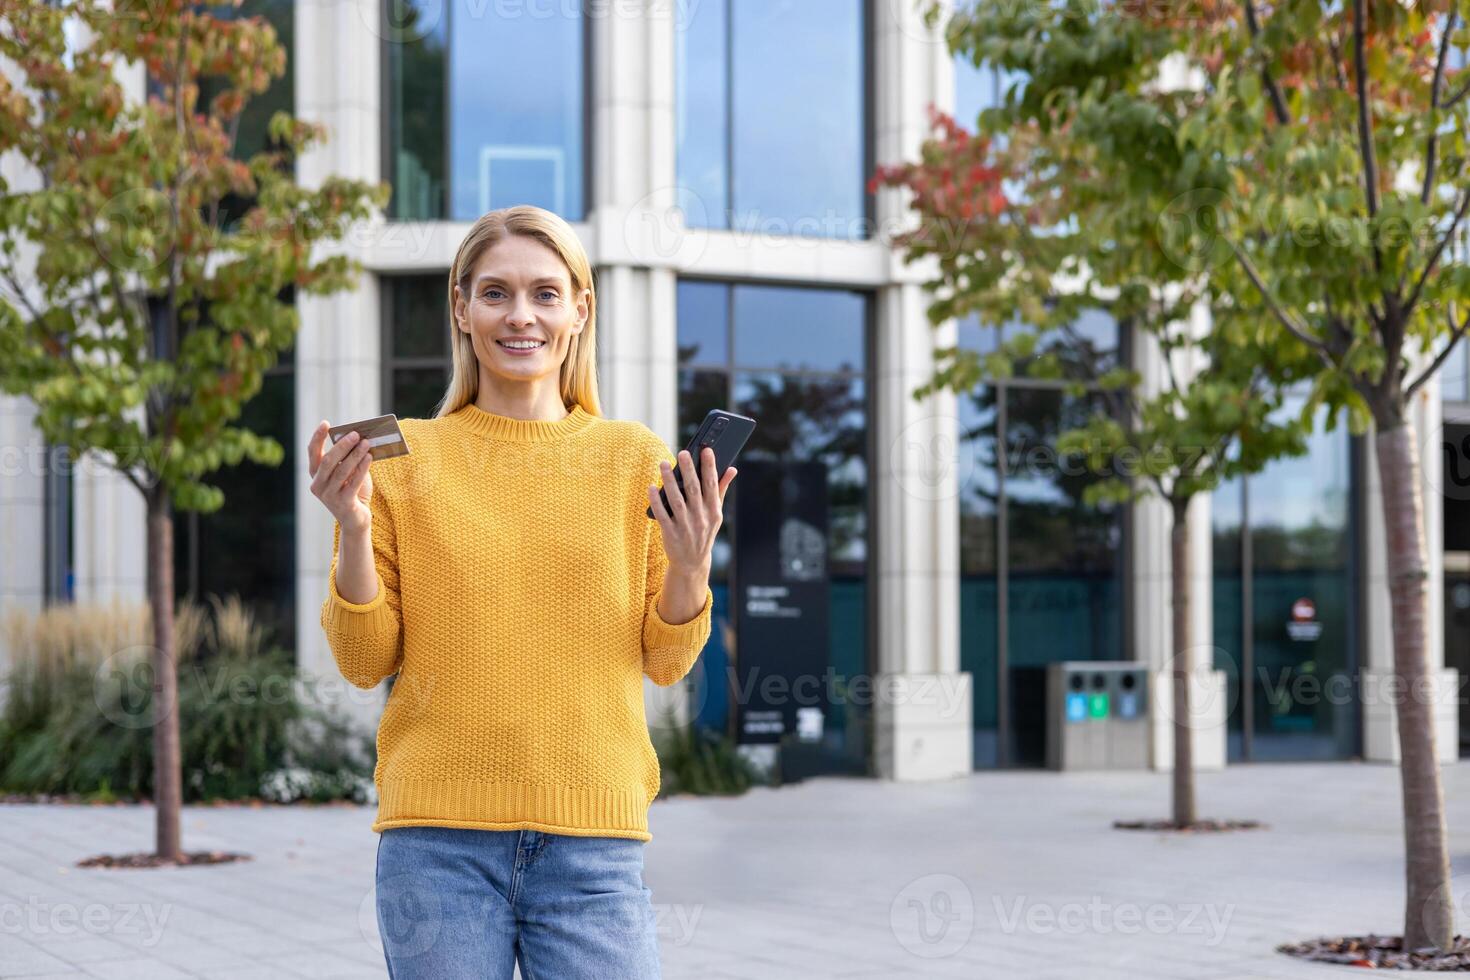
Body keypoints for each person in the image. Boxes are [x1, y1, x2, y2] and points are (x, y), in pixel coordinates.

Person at [306, 205, 736, 979]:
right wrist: (353, 527)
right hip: (436, 848)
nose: (521, 315)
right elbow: (366, 660)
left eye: (545, 292)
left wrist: (689, 563)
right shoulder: (399, 460)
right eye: (496, 293)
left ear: (581, 309)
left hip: (594, 849)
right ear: (461, 309)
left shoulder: (629, 458)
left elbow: (667, 661)